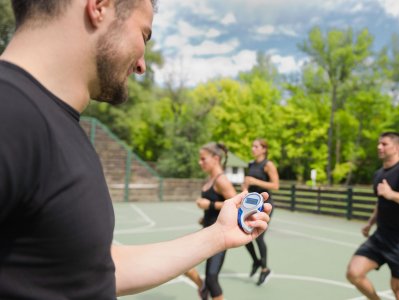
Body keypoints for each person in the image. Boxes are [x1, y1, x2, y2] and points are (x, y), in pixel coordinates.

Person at [0, 1, 271, 299]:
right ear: (100, 6)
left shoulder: (55, 123)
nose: (142, 64)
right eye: (143, 35)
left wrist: (218, 234)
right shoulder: (11, 113)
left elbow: (94, 269)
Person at [346, 132, 399, 300]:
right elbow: (381, 202)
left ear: (397, 148)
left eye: (384, 144)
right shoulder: (378, 174)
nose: (379, 147)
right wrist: (370, 223)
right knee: (353, 273)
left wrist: (392, 194)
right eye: (379, 144)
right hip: (380, 236)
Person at [194, 142, 237, 300]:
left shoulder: (221, 180)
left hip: (219, 236)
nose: (200, 162)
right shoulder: (210, 179)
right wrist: (205, 216)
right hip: (207, 232)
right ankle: (202, 288)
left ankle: (205, 288)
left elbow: (236, 204)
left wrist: (210, 204)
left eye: (203, 159)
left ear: (216, 158)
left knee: (212, 278)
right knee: (187, 266)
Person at [242, 138, 280, 286]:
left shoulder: (268, 164)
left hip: (265, 204)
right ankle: (256, 261)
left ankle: (264, 269)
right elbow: (247, 184)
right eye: (252, 146)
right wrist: (244, 189)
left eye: (256, 146)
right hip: (251, 204)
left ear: (264, 149)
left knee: (258, 237)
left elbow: (275, 185)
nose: (253, 148)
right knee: (244, 233)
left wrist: (255, 181)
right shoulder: (251, 164)